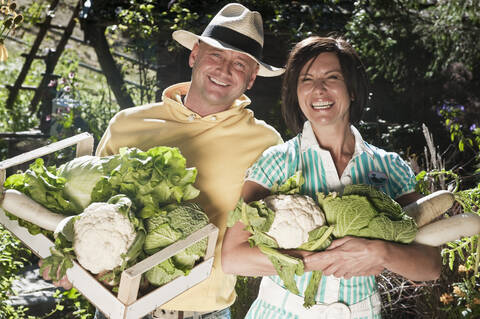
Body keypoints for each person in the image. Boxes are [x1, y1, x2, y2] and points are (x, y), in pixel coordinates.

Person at [41, 3, 284, 319]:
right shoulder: (127, 124)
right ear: (194, 56)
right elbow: (87, 212)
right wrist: (68, 257)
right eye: (216, 55)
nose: (225, 70)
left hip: (205, 313)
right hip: (120, 308)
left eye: (240, 64)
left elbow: (274, 238)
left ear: (251, 78)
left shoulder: (267, 144)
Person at [221, 36, 442, 319]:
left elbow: (430, 265)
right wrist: (321, 260)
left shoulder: (390, 168)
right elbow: (233, 257)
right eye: (306, 79)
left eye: (332, 77)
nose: (319, 89)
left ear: (352, 89)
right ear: (296, 93)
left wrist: (381, 253)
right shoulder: (276, 162)